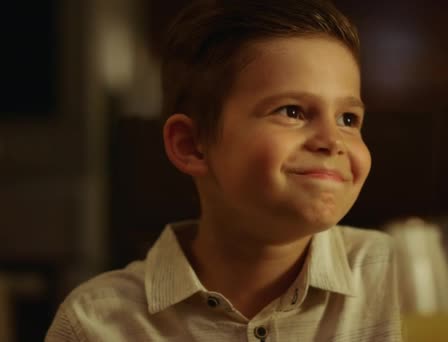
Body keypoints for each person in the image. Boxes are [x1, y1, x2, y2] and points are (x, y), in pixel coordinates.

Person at [46, 0, 402, 340]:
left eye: (348, 119)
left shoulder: (410, 282)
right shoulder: (94, 324)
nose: (332, 140)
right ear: (191, 145)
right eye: (292, 111)